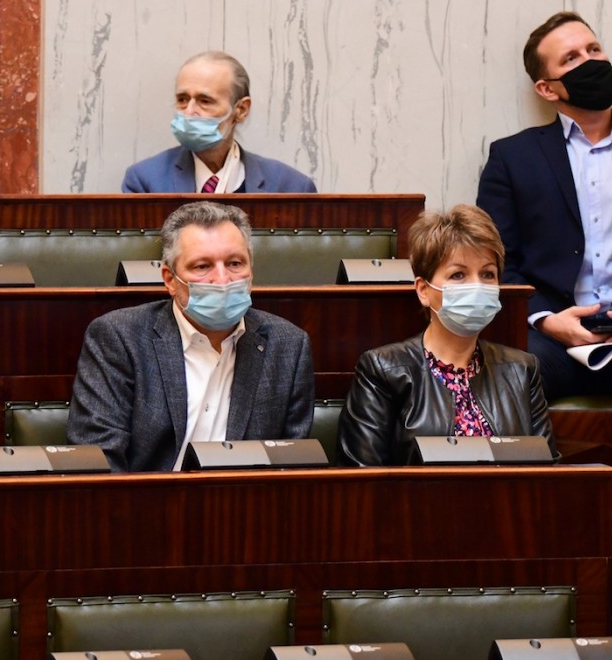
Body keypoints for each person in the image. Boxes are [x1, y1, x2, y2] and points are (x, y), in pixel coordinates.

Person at [67, 201, 314, 472]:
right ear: (170, 280)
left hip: (244, 498)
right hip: (147, 497)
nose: (222, 279)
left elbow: (292, 467)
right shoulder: (119, 338)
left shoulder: (288, 346)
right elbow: (101, 461)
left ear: (251, 271)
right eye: (202, 266)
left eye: (234, 263)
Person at [476, 11, 612, 401]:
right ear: (547, 89)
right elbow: (495, 262)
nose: (591, 61)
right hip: (549, 341)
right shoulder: (512, 158)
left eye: (594, 49)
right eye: (571, 58)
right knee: (511, 372)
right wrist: (547, 321)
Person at [337, 205, 558, 467]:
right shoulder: (383, 370)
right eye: (458, 275)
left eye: (487, 274)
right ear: (423, 290)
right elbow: (362, 478)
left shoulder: (522, 369)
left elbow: (546, 473)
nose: (476, 286)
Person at [122, 51, 317, 194]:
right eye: (182, 99)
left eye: (205, 101)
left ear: (241, 110)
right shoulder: (145, 182)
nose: (189, 111)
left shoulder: (291, 188)